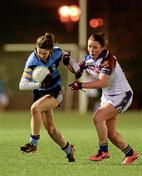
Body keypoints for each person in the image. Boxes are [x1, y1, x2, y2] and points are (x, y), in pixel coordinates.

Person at [69, 32, 138, 165]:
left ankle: (103, 151)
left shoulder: (108, 60)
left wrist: (81, 85)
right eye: (90, 46)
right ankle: (131, 154)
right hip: (107, 96)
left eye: (95, 47)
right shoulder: (88, 58)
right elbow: (76, 70)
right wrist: (68, 62)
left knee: (98, 118)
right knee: (110, 134)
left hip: (122, 95)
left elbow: (102, 83)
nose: (91, 50)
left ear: (102, 47)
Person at [19, 32, 80, 162]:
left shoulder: (58, 52)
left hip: (55, 92)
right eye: (39, 52)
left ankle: (33, 143)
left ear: (51, 51)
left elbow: (76, 69)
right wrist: (39, 83)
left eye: (44, 53)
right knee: (51, 130)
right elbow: (22, 85)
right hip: (40, 94)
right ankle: (69, 150)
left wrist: (74, 66)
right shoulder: (31, 61)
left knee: (35, 108)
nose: (41, 56)